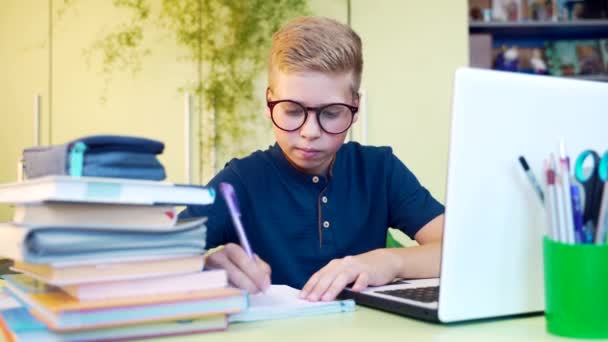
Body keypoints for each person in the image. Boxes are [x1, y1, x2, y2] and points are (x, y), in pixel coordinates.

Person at [179, 16, 445, 302]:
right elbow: (145, 263)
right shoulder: (240, 182)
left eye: (331, 113)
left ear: (355, 109)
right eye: (292, 110)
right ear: (269, 105)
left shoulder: (380, 170)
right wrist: (207, 269)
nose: (310, 132)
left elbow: (461, 249)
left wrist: (390, 261)